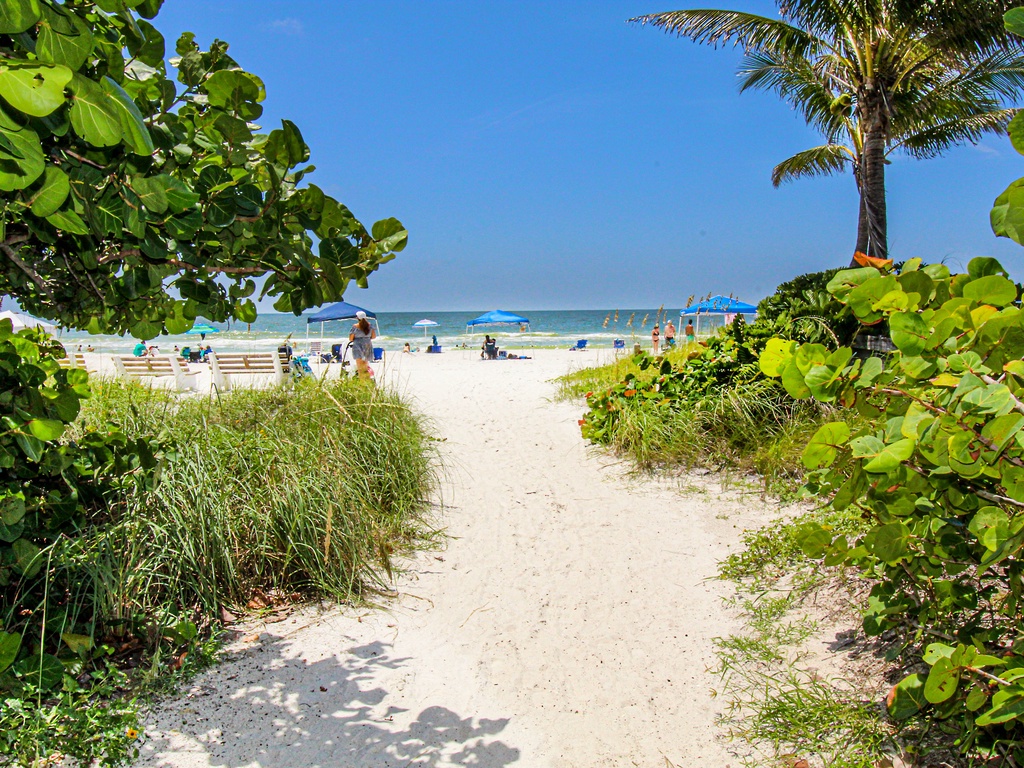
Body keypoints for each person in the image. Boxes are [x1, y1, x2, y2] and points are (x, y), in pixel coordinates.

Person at [349, 310, 376, 378]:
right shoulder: (370, 326)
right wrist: (366, 338)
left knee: (359, 366)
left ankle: (362, 381)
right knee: (365, 365)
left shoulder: (355, 326)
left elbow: (351, 338)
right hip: (367, 344)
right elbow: (373, 336)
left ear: (357, 318)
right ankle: (366, 379)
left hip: (357, 345)